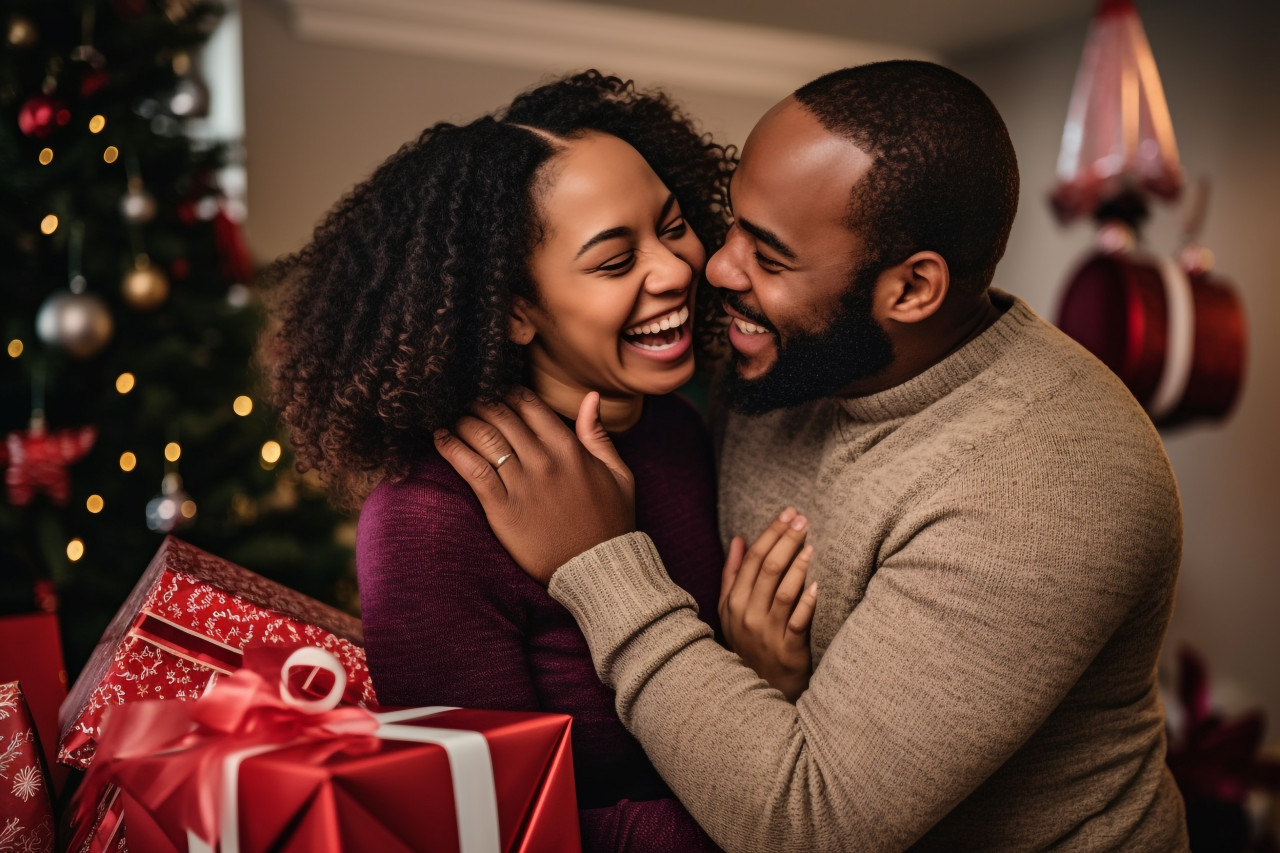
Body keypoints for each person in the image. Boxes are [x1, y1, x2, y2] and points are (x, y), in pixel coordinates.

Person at [435, 61, 1190, 851]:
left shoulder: (1049, 479)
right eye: (732, 224)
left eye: (769, 256)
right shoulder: (775, 356)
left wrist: (599, 562)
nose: (713, 269)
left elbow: (808, 825)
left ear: (911, 289)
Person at [260, 71, 813, 852]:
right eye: (615, 261)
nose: (677, 269)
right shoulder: (428, 519)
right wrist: (767, 747)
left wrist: (754, 697)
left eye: (673, 225)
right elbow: (481, 831)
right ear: (515, 309)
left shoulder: (676, 430)